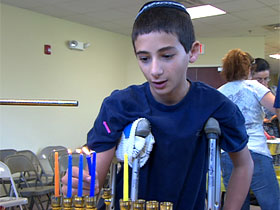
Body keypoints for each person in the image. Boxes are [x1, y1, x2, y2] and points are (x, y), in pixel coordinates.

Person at [61, 1, 254, 209]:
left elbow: (244, 164)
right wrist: (80, 183)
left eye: (167, 56)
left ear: (193, 52)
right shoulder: (119, 105)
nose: (154, 70)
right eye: (144, 58)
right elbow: (94, 175)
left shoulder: (216, 105)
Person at [218, 48, 280, 210]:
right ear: (248, 68)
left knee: (238, 205)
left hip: (229, 154)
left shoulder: (220, 93)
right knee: (272, 203)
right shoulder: (253, 86)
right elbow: (277, 109)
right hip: (255, 151)